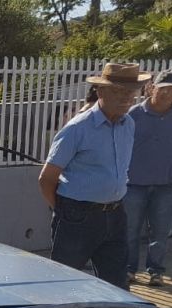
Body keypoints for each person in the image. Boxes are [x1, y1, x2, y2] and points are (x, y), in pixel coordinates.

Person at [38, 62, 150, 289]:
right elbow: (47, 179)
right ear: (101, 92)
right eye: (118, 91)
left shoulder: (128, 124)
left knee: (117, 283)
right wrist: (65, 212)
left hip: (116, 213)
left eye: (131, 91)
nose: (127, 97)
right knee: (63, 282)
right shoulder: (78, 128)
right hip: (77, 215)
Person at [124, 69, 172, 287]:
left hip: (166, 185)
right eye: (164, 89)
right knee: (130, 230)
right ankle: (129, 269)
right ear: (152, 88)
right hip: (134, 184)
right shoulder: (133, 115)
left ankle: (156, 271)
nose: (168, 94)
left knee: (160, 232)